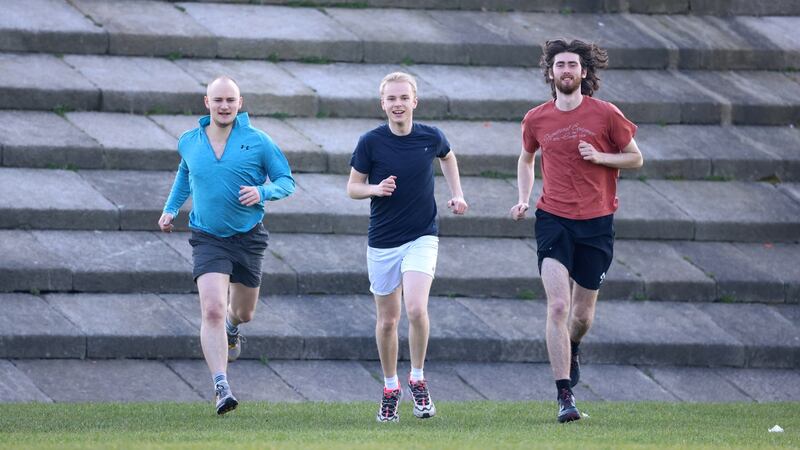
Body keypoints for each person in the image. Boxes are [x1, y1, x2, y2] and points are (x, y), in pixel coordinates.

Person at [510, 39, 643, 423]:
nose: (566, 71)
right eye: (559, 65)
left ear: (584, 72)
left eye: (572, 65)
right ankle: (564, 395)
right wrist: (523, 197)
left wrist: (600, 156)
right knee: (557, 305)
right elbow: (526, 157)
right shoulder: (536, 118)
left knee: (581, 316)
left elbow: (636, 157)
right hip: (553, 219)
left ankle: (573, 344)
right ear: (550, 73)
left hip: (597, 223)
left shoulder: (606, 114)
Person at [158, 76, 295, 415]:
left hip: (248, 237)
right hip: (207, 237)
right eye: (217, 100)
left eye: (230, 101)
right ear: (207, 103)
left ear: (239, 103)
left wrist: (262, 192)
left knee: (243, 313)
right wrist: (170, 208)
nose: (224, 106)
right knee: (213, 309)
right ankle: (222, 386)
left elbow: (286, 181)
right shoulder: (189, 141)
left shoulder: (258, 141)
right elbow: (184, 174)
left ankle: (233, 330)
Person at [347, 72, 468, 423]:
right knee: (388, 320)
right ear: (382, 103)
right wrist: (374, 189)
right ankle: (390, 388)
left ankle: (417, 378)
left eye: (404, 98)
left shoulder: (431, 137)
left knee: (415, 308)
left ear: (414, 101)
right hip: (383, 240)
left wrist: (457, 194)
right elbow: (353, 187)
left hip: (422, 235)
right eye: (391, 99)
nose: (398, 104)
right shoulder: (370, 142)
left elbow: (448, 157)